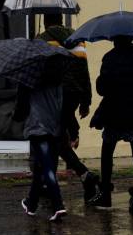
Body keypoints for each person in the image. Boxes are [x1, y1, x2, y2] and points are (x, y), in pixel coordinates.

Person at [88, 36, 133, 215]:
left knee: (107, 151)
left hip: (115, 113)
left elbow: (102, 88)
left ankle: (105, 193)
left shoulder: (110, 58)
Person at [37, 13, 99, 203]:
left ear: (46, 21)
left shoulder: (43, 39)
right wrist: (86, 101)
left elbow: (40, 69)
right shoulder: (77, 38)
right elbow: (84, 70)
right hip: (73, 94)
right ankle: (51, 183)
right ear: (61, 20)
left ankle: (84, 175)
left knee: (55, 139)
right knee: (58, 137)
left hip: (53, 94)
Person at [14, 54, 70, 222]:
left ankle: (58, 205)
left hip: (38, 128)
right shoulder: (58, 78)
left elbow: (21, 107)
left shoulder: (29, 79)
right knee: (42, 167)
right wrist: (64, 127)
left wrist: (16, 117)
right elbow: (62, 105)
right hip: (54, 127)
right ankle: (31, 204)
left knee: (47, 168)